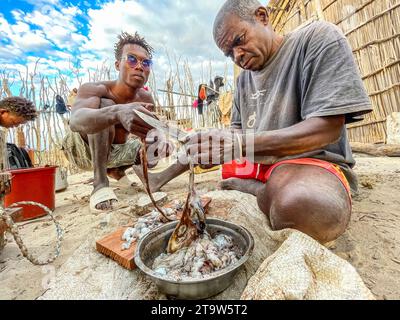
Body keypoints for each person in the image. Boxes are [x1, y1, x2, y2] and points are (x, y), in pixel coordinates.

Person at [184, 0, 373, 244]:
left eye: (239, 41)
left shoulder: (317, 39)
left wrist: (240, 145)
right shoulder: (243, 81)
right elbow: (237, 130)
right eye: (229, 53)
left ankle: (257, 190)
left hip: (310, 163)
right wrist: (216, 143)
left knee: (304, 207)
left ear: (262, 16)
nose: (237, 55)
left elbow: (327, 128)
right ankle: (261, 185)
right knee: (207, 148)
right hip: (258, 163)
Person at [63, 32, 169, 214]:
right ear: (118, 64)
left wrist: (158, 139)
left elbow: (146, 133)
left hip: (115, 152)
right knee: (106, 106)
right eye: (132, 59)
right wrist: (117, 112)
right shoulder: (95, 89)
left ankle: (116, 172)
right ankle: (100, 183)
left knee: (154, 144)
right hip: (81, 149)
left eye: (146, 63)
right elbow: (76, 121)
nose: (139, 67)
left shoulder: (146, 97)